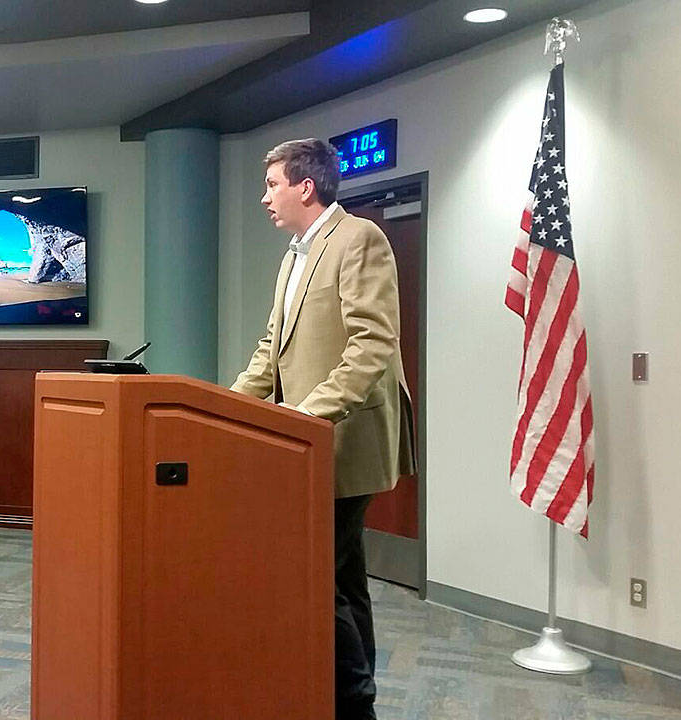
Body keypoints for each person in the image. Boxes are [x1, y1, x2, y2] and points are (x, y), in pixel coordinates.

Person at [231, 138, 415, 720]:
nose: (266, 198)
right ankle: (356, 699)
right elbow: (272, 348)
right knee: (343, 575)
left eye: (272, 185)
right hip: (308, 442)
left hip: (343, 440)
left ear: (305, 187)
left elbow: (373, 344)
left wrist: (306, 415)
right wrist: (228, 408)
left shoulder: (359, 239)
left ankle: (353, 704)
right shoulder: (293, 254)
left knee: (318, 576)